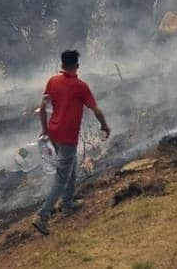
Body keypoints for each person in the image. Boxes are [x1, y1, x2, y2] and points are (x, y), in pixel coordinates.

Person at [32, 50, 110, 235]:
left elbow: (42, 108)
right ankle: (42, 216)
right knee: (61, 176)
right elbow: (96, 110)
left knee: (71, 165)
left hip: (54, 132)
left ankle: (68, 203)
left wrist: (45, 129)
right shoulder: (80, 86)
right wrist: (105, 126)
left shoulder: (52, 81)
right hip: (67, 136)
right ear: (77, 66)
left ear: (62, 64)